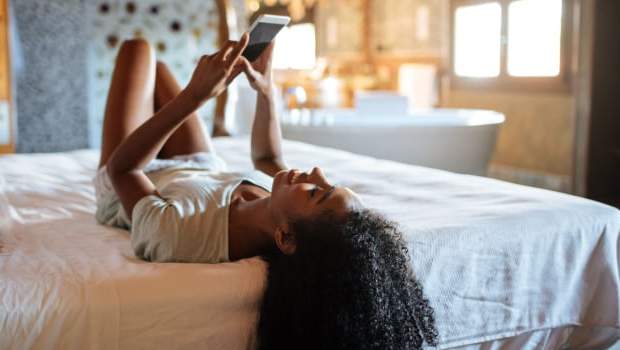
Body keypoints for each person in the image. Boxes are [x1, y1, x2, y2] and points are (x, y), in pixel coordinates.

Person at [94, 33, 438, 349]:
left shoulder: (181, 234)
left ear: (285, 238)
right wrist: (265, 89)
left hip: (136, 173)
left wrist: (195, 97)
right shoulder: (280, 204)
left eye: (316, 193)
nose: (315, 172)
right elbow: (268, 156)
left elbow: (123, 170)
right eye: (327, 182)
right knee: (159, 69)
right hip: (199, 167)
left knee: (138, 50)